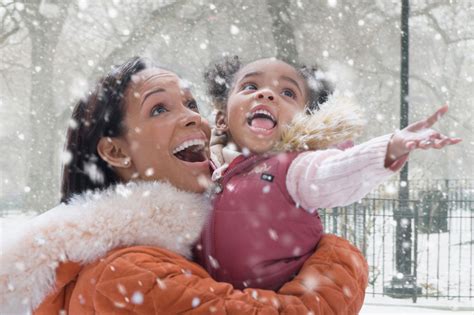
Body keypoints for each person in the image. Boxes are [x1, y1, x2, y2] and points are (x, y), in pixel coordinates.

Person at [1, 56, 370, 314]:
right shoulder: (128, 274)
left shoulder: (185, 248)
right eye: (159, 109)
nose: (194, 118)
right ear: (115, 150)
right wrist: (339, 257)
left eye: (191, 103)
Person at [197, 56, 461, 291]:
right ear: (222, 119)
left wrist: (390, 148)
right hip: (211, 302)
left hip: (276, 303)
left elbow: (338, 172)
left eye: (288, 92)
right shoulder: (202, 169)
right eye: (251, 86)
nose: (266, 94)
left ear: (304, 119)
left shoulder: (294, 169)